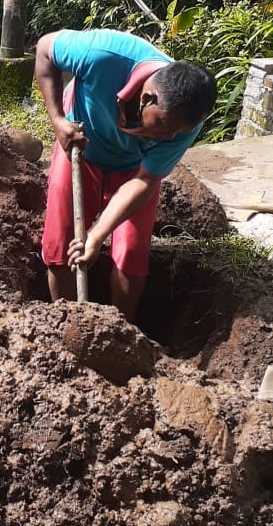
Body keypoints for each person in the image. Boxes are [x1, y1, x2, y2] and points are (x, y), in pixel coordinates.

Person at [35, 28, 217, 322]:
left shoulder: (184, 123)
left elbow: (145, 180)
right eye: (161, 128)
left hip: (134, 169)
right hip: (79, 148)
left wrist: (96, 236)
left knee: (131, 255)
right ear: (146, 98)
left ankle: (121, 332)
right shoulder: (102, 54)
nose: (167, 137)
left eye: (175, 133)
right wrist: (58, 120)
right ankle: (65, 327)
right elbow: (44, 48)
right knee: (61, 245)